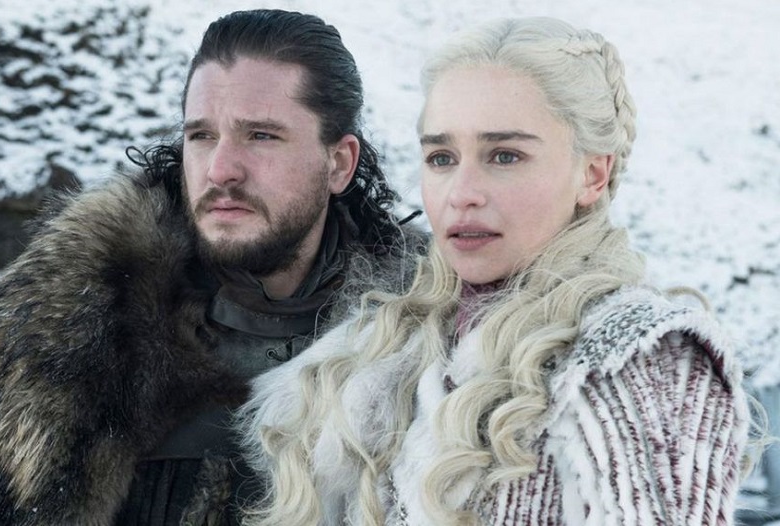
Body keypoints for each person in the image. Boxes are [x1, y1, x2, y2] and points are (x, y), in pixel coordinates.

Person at [242, 16, 755, 525]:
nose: (461, 193)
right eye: (442, 158)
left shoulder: (639, 361)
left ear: (593, 174)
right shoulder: (381, 351)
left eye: (505, 156)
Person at [0, 9, 424, 526]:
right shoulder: (60, 336)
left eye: (261, 135)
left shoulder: (426, 347)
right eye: (201, 136)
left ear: (339, 163)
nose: (220, 170)